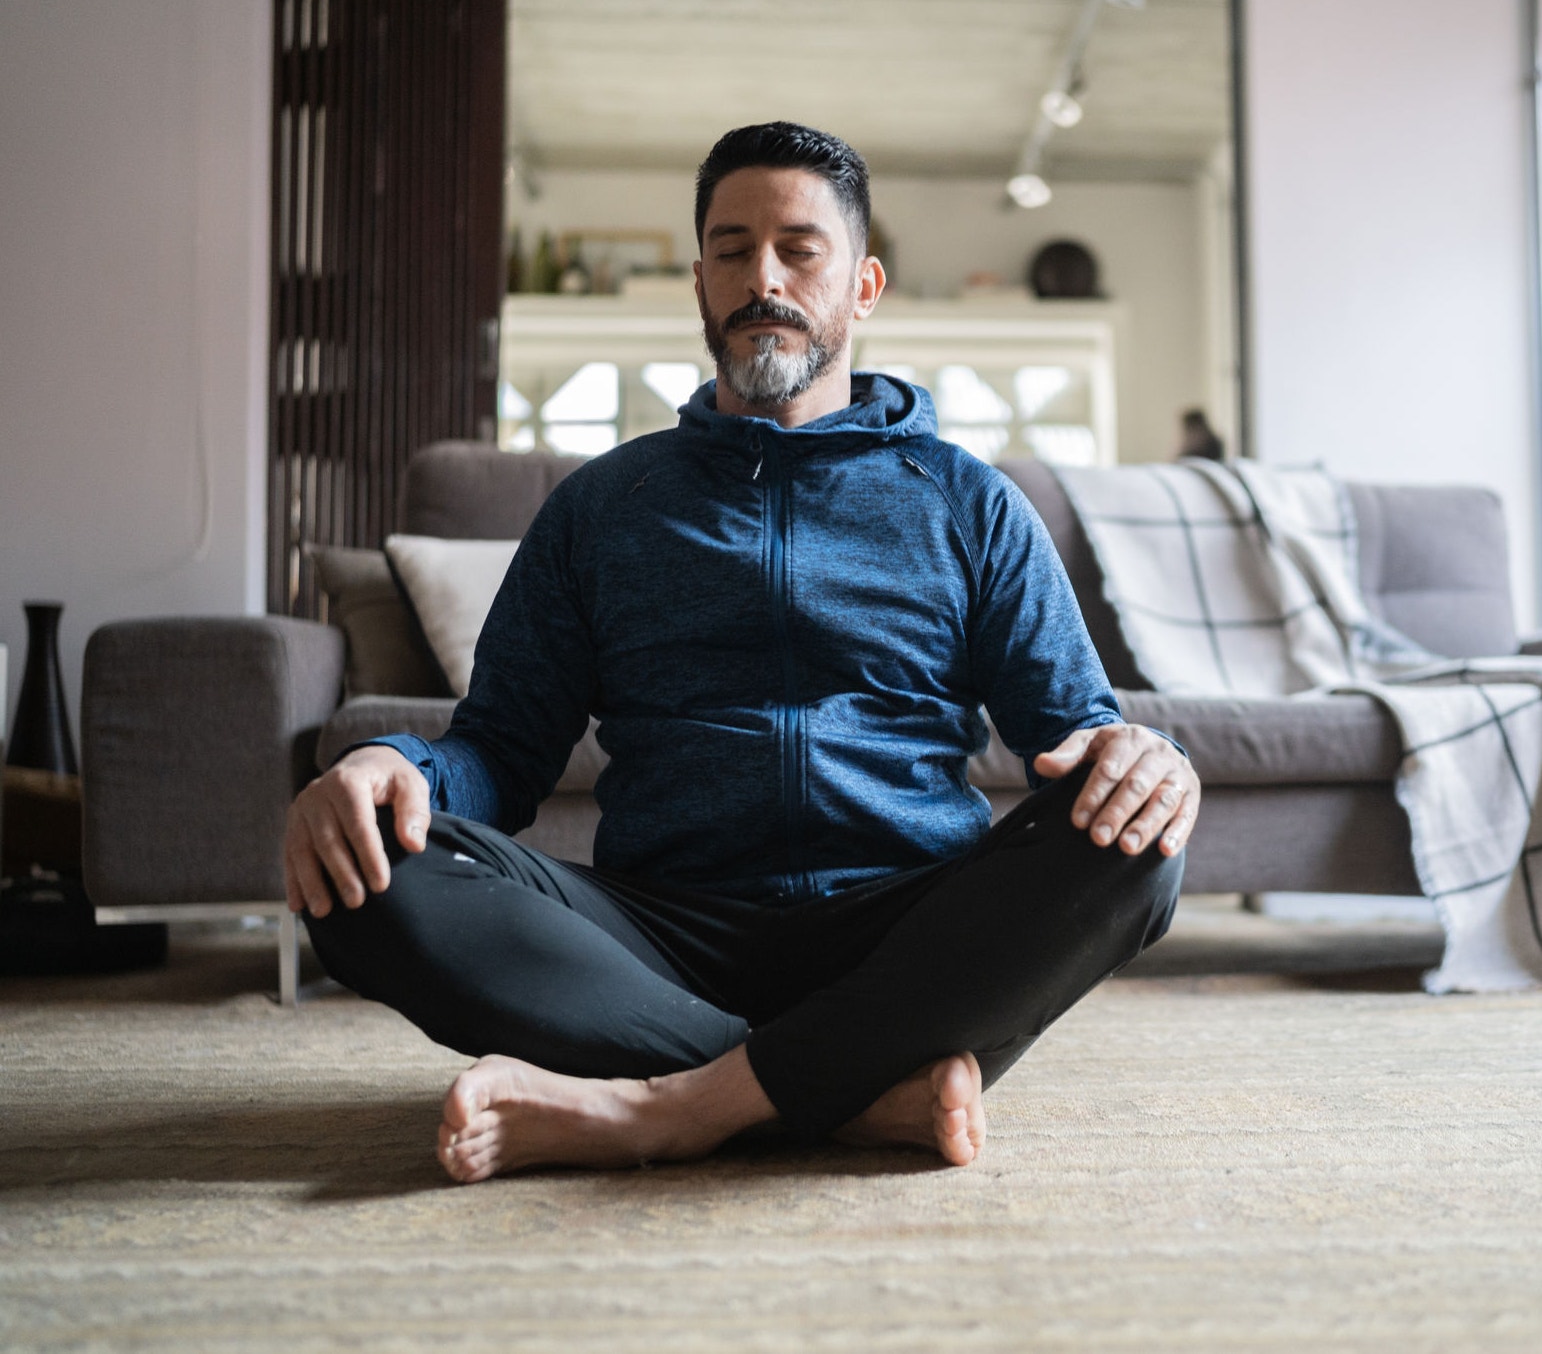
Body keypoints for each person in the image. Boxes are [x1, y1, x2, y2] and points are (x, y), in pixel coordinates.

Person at [285, 122, 1200, 1184]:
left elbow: (1074, 736)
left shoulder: (970, 505)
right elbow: (501, 750)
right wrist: (393, 767)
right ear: (700, 280)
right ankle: (847, 1094)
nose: (761, 277)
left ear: (862, 287)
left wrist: (1141, 757)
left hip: (901, 921)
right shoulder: (603, 509)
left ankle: (671, 1106)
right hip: (661, 932)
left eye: (799, 249)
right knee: (358, 869)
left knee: (1140, 840)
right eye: (731, 249)